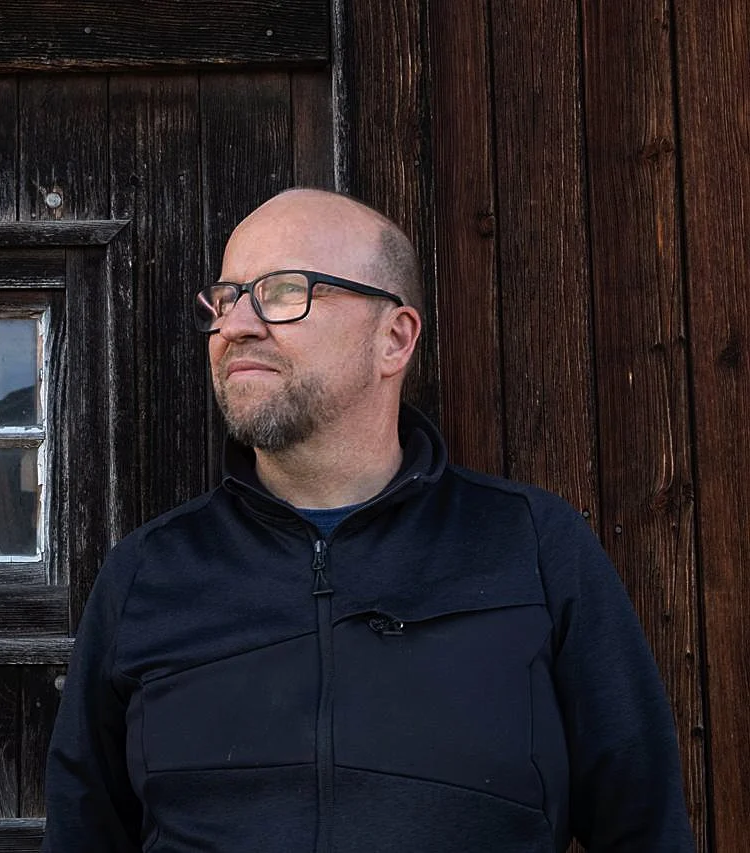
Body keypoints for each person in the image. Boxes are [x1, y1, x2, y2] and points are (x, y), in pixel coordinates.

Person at [40, 188, 695, 852]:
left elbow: (646, 829)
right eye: (227, 296)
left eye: (284, 290)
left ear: (394, 338)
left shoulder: (532, 549)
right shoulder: (148, 574)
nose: (236, 324)